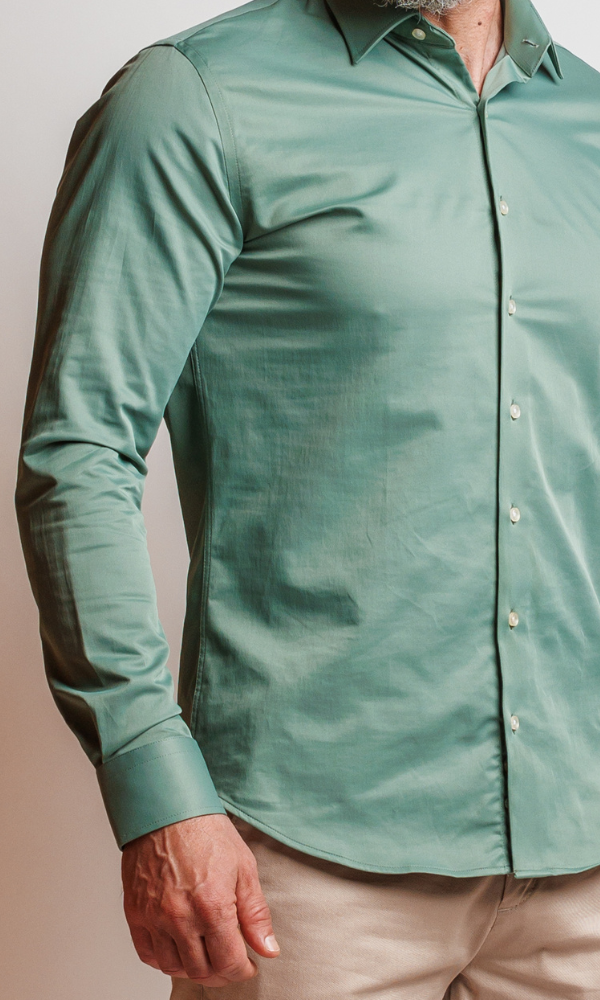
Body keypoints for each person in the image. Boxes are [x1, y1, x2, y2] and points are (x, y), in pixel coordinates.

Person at [14, 0, 600, 994]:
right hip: (304, 869)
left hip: (582, 854)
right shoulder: (194, 99)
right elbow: (80, 454)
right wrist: (155, 787)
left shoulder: (586, 120)